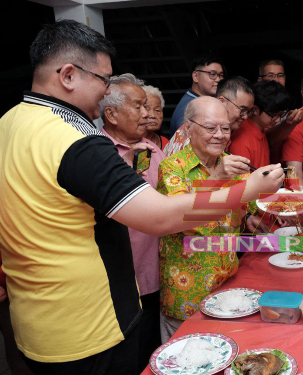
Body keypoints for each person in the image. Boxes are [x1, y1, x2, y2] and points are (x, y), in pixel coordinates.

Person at [0, 20, 283, 374]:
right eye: (103, 80)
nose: (106, 93)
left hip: (37, 323)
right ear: (68, 75)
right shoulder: (73, 138)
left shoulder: (10, 122)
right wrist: (250, 188)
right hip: (88, 326)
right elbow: (160, 217)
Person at [157, 96, 266, 340]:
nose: (220, 135)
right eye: (210, 128)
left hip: (226, 285)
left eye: (225, 128)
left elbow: (245, 205)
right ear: (187, 128)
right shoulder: (173, 168)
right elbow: (183, 218)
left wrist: (273, 206)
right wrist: (216, 177)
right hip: (188, 292)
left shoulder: (230, 162)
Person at [99, 73, 167, 372]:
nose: (147, 114)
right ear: (111, 114)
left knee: (153, 349)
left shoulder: (153, 149)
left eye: (149, 107)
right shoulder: (95, 152)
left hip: (155, 270)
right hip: (117, 280)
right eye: (138, 107)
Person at [163, 76, 254, 157]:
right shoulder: (198, 130)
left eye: (248, 111)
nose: (245, 117)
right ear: (222, 101)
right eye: (242, 110)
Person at [229, 80, 291, 168]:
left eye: (281, 114)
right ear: (255, 109)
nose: (277, 120)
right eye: (273, 115)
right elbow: (241, 181)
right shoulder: (242, 142)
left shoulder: (261, 128)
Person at [170, 54, 224, 136]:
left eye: (220, 75)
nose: (218, 79)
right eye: (212, 74)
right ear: (195, 76)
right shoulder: (188, 108)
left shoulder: (201, 101)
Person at [142, 84, 169, 150]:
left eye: (157, 110)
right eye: (146, 109)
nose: (153, 116)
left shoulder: (166, 143)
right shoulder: (129, 143)